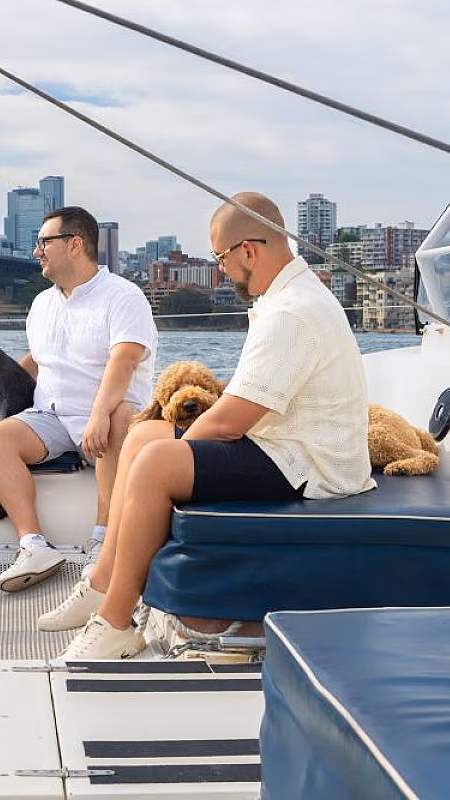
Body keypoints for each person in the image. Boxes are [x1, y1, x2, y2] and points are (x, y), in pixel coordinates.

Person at [45, 192, 376, 659]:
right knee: (142, 435)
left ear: (248, 251)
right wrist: (169, 445)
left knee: (155, 458)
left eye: (220, 257)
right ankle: (103, 583)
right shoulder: (286, 296)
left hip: (309, 467)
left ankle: (117, 621)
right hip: (285, 446)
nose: (221, 268)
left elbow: (230, 421)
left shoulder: (291, 312)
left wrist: (175, 452)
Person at [0, 207, 156, 593]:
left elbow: (124, 361)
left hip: (108, 415)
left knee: (122, 416)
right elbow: (38, 361)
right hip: (54, 417)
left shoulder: (123, 297)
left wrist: (98, 415)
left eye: (44, 242)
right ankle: (34, 546)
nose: (36, 252)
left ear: (74, 244)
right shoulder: (43, 304)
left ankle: (103, 541)